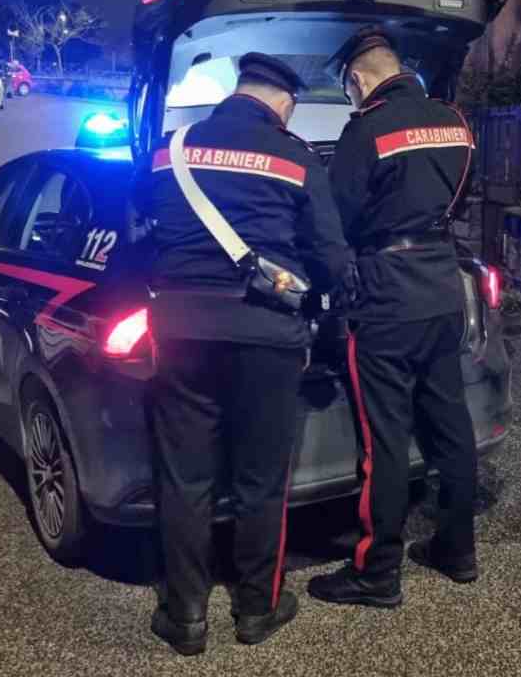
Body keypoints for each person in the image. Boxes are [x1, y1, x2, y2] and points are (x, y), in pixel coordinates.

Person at [136, 53, 351, 654]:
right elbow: (332, 259)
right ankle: (257, 608)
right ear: (284, 104)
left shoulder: (170, 149)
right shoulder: (297, 158)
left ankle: (184, 616)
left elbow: (139, 223)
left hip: (179, 330)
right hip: (266, 334)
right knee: (261, 482)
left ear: (238, 91)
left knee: (185, 478)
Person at [308, 27, 479, 609]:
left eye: (350, 91)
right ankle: (457, 550)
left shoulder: (366, 130)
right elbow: (458, 198)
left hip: (386, 297)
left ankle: (377, 572)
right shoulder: (453, 120)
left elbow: (339, 220)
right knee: (451, 430)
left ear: (359, 79)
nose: (352, 100)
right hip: (441, 286)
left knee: (383, 442)